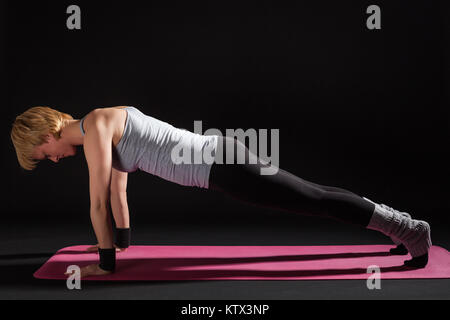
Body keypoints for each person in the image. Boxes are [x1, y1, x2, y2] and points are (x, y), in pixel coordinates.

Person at [10, 106, 432, 278]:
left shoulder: (96, 125)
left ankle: (409, 229)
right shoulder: (100, 125)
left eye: (42, 153)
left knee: (313, 198)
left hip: (223, 164)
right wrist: (117, 245)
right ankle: (399, 230)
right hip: (221, 160)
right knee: (313, 195)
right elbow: (117, 192)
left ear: (47, 132)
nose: (50, 159)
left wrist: (104, 266)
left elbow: (97, 200)